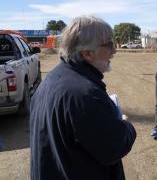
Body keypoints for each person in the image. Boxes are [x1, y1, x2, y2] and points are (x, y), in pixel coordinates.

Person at [30, 16, 137, 180]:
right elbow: (113, 148)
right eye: (109, 44)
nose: (114, 51)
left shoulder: (51, 80)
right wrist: (126, 126)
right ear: (87, 53)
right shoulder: (85, 94)